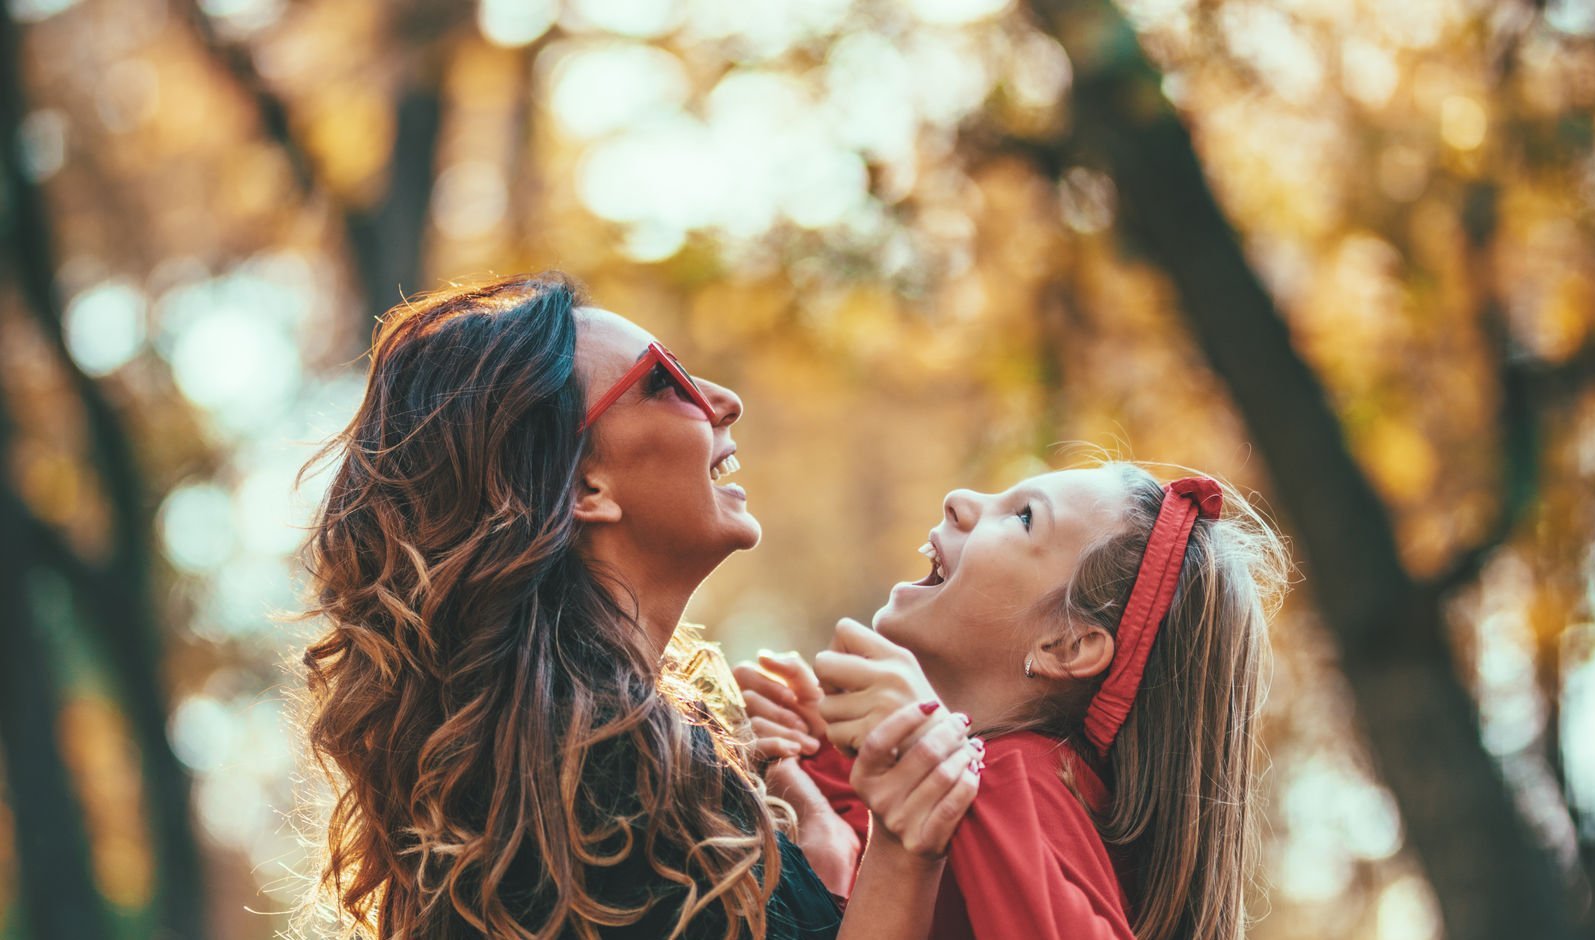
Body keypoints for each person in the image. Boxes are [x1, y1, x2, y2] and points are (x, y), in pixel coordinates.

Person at [296, 272, 978, 939]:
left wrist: (812, 857)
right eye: (665, 381)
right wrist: (905, 844)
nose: (725, 399)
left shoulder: (585, 772)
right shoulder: (600, 798)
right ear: (583, 487)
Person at [738, 464, 1290, 940]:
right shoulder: (1014, 800)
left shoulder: (1014, 779)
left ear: (1067, 645)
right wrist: (812, 773)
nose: (959, 501)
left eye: (1024, 517)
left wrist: (922, 746)